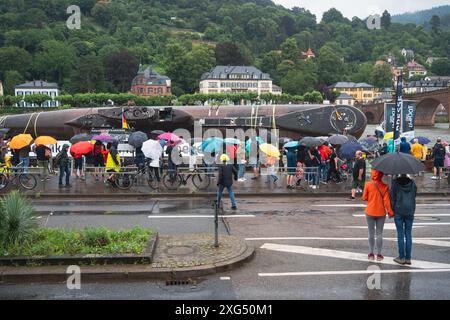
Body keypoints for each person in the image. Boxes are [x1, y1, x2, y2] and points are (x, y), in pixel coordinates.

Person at [362, 169, 394, 261]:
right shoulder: (385, 186)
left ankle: (371, 253)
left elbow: (364, 197)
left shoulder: (368, 184)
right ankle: (379, 254)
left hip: (370, 211)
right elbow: (387, 202)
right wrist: (390, 212)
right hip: (381, 213)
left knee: (371, 233)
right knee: (379, 234)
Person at [390, 174, 417, 265]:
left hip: (399, 210)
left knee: (400, 234)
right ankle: (408, 258)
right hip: (410, 210)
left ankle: (401, 257)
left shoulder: (395, 183)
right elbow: (414, 195)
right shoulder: (412, 183)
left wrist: (393, 208)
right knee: (408, 234)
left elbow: (392, 198)